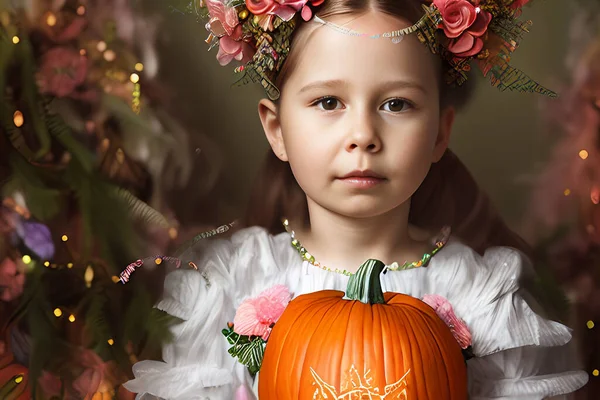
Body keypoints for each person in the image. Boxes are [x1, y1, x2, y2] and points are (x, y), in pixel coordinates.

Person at [123, 0, 589, 398]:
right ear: (277, 129)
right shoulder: (225, 287)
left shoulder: (485, 300)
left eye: (396, 104)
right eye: (328, 102)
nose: (363, 135)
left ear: (439, 134)